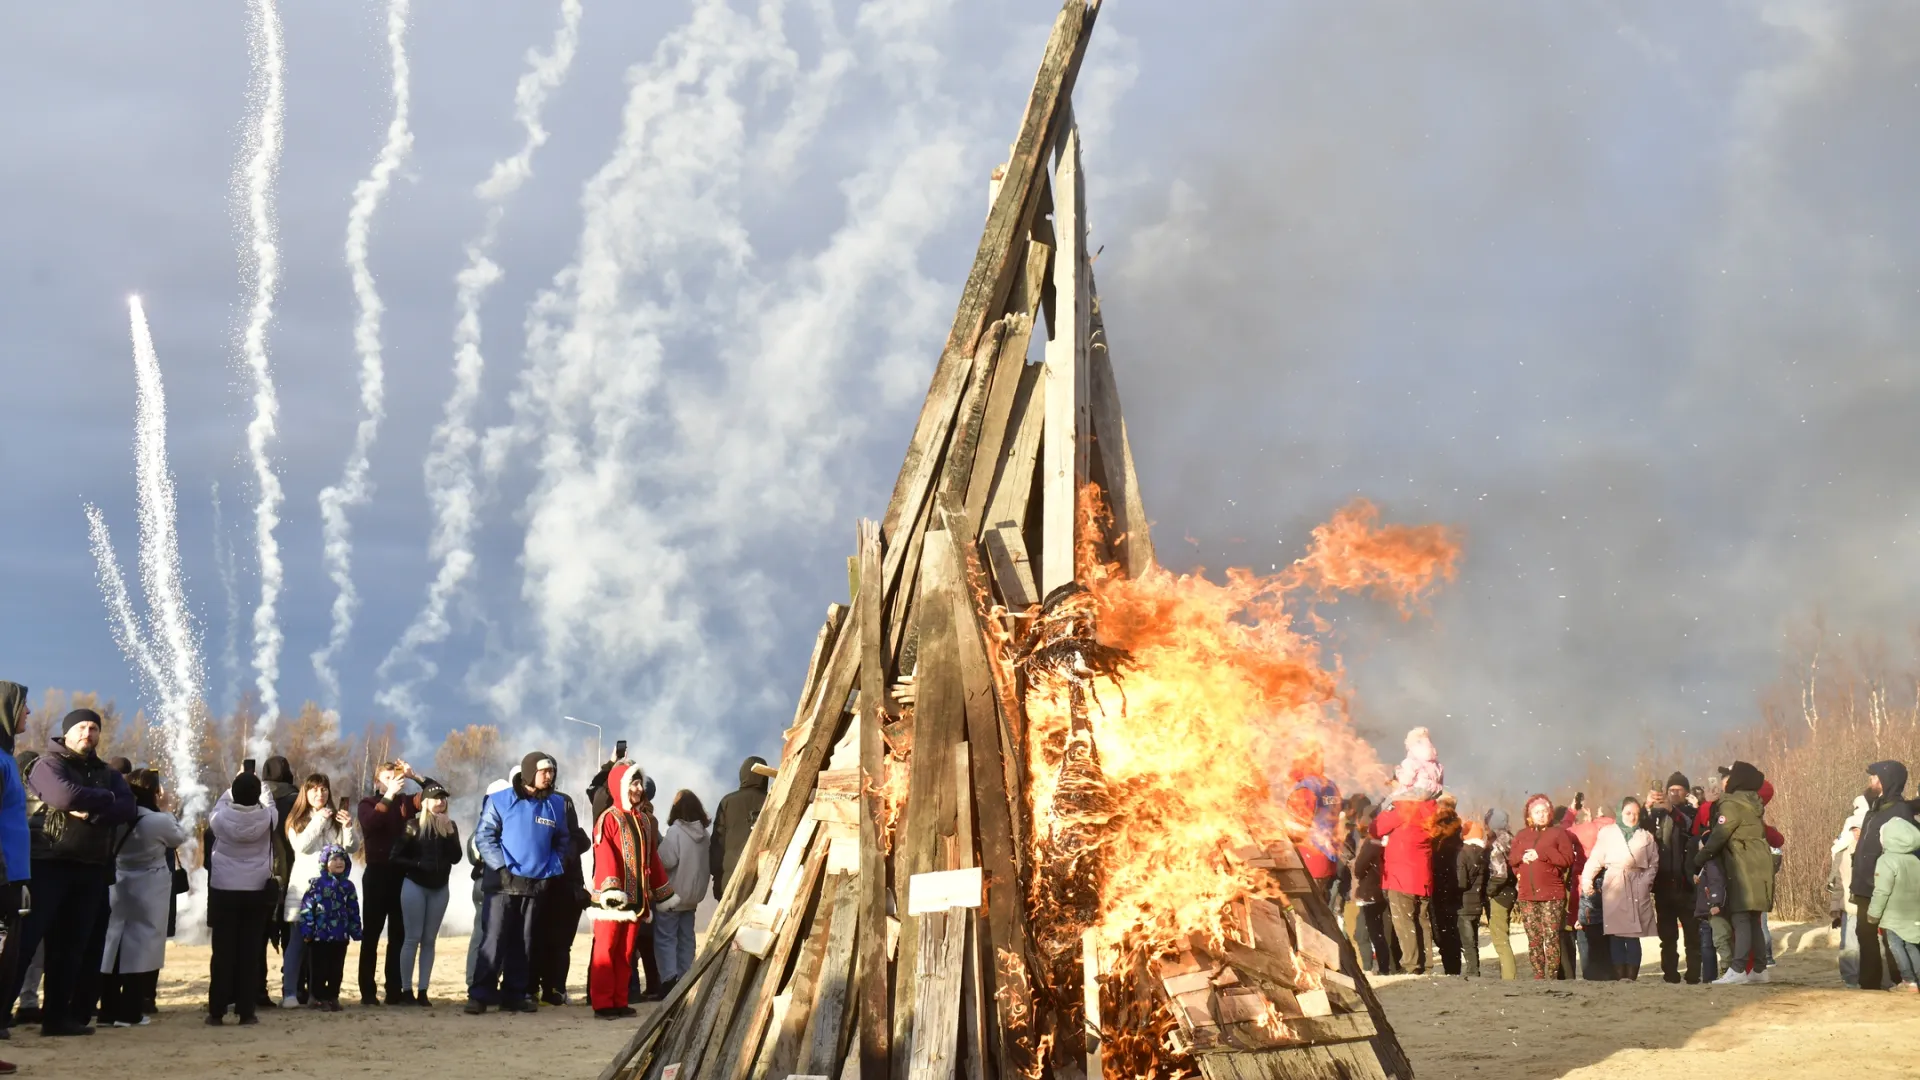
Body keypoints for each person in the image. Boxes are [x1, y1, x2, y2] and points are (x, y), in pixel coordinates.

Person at [25, 708, 136, 1035]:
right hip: (49, 863)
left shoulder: (105, 771)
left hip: (90, 868)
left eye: (93, 728)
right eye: (82, 727)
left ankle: (57, 1018)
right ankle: (5, 1014)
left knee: (72, 948)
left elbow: (127, 807)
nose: (88, 733)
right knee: (29, 943)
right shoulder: (49, 764)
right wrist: (105, 798)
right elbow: (64, 795)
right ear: (68, 732)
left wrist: (93, 813)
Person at [468, 751, 570, 1014]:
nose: (549, 776)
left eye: (551, 771)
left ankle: (514, 994)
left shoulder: (556, 805)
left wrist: (551, 870)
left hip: (533, 884)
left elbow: (562, 842)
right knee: (493, 938)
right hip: (501, 882)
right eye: (543, 771)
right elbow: (484, 836)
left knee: (523, 942)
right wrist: (500, 867)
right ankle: (480, 994)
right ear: (528, 773)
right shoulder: (500, 800)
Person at [97, 769, 187, 1027]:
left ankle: (107, 1009)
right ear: (154, 792)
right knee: (142, 949)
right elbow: (178, 837)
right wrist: (167, 808)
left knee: (112, 946)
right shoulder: (157, 820)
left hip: (119, 881)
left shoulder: (117, 817)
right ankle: (131, 1010)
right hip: (150, 886)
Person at [588, 764, 671, 1019]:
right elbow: (605, 856)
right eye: (633, 784)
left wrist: (663, 891)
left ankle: (620, 999)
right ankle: (603, 1003)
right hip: (611, 901)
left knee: (626, 953)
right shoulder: (608, 818)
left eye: (639, 784)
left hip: (637, 901)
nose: (637, 789)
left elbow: (652, 859)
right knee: (606, 951)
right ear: (621, 787)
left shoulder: (644, 820)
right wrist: (612, 887)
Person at [357, 759, 432, 1005]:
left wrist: (415, 776)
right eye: (387, 778)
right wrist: (389, 794)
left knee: (399, 935)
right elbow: (372, 823)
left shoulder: (406, 802)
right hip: (377, 874)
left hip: (402, 875)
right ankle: (368, 992)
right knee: (371, 935)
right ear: (377, 782)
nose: (393, 782)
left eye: (395, 777)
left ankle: (394, 989)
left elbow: (437, 794)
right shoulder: (367, 804)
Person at [280, 773, 358, 1008]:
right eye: (314, 789)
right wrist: (319, 821)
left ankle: (318, 994)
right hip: (304, 889)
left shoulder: (333, 819)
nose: (319, 794)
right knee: (297, 942)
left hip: (331, 894)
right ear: (306, 792)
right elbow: (301, 846)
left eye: (324, 789)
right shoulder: (297, 820)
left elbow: (349, 849)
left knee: (323, 948)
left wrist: (347, 827)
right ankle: (290, 993)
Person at [1693, 760, 1774, 985]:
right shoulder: (1753, 804)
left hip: (1742, 868)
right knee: (1753, 918)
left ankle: (1737, 969)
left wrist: (1698, 860)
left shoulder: (1732, 805)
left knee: (1740, 916)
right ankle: (1759, 969)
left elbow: (1718, 836)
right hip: (1759, 867)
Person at [207, 771, 278, 1025]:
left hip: (224, 888)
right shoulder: (268, 817)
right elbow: (270, 804)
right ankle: (246, 1011)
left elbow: (219, 803)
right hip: (256, 889)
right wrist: (264, 787)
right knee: (250, 952)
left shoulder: (220, 817)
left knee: (223, 952)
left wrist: (232, 785)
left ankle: (216, 1011)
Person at [392, 784, 462, 1005]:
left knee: (430, 940)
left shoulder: (451, 826)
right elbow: (395, 857)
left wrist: (450, 832)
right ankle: (406, 990)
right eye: (436, 798)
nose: (441, 802)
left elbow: (456, 857)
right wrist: (418, 863)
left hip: (440, 888)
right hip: (415, 885)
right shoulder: (413, 825)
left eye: (443, 799)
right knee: (412, 938)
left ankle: (423, 991)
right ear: (426, 802)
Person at [1851, 761, 1915, 991]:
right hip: (1864, 885)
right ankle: (1869, 984)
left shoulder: (1900, 810)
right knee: (1865, 934)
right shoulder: (1876, 807)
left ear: (1886, 780)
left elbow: (1905, 847)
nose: (1871, 780)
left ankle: (1904, 981)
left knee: (1893, 936)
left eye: (1875, 776)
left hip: (1886, 883)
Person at [1579, 796, 1659, 980]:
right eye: (1628, 813)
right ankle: (1618, 976)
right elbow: (1596, 858)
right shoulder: (1607, 834)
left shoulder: (1646, 837)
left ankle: (1631, 977)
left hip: (1637, 884)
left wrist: (1645, 882)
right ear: (1619, 813)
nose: (1632, 817)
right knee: (1615, 933)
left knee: (1632, 934)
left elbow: (1653, 863)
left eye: (1636, 814)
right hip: (1614, 883)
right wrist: (1587, 881)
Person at [532, 766, 590, 1007]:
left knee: (553, 942)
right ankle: (549, 989)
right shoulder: (573, 838)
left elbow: (572, 844)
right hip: (556, 888)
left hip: (558, 888)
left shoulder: (559, 811)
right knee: (552, 943)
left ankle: (549, 988)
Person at [1509, 794, 1575, 980]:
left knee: (1551, 936)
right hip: (1527, 894)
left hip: (1552, 893)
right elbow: (1512, 859)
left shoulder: (1558, 833)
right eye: (1537, 812)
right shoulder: (1522, 835)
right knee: (1533, 938)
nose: (1541, 815)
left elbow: (1567, 860)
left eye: (1544, 811)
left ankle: (1552, 976)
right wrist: (1522, 860)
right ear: (1529, 815)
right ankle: (1538, 975)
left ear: (1550, 813)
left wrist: (1543, 853)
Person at [1370, 794, 1438, 975]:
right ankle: (1426, 964)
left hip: (1401, 876)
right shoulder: (1430, 810)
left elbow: (1375, 828)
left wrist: (1388, 806)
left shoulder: (1404, 808)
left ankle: (1411, 964)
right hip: (1423, 876)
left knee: (1404, 921)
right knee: (1422, 920)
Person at [0, 683, 31, 1066]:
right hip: (1, 878)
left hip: (13, 876)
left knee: (6, 962)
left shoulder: (7, 757)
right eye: (25, 706)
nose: (30, 714)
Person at [654, 789, 711, 996]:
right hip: (693, 897)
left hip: (672, 896)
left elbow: (666, 861)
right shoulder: (704, 835)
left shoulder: (676, 832)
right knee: (687, 937)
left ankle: (669, 979)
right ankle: (687, 977)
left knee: (666, 937)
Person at [1647, 773, 1701, 984]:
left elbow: (1690, 828)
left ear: (1687, 792)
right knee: (1667, 938)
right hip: (1663, 885)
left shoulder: (1691, 812)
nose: (1674, 793)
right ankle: (1670, 974)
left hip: (1686, 884)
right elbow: (1643, 829)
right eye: (1671, 790)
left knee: (1692, 936)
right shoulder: (1657, 815)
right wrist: (1647, 806)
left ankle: (1694, 974)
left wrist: (1671, 809)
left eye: (1679, 790)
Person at [299, 845, 363, 1010]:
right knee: (318, 969)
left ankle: (333, 997)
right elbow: (307, 908)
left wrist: (355, 930)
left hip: (340, 936)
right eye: (334, 859)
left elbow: (353, 909)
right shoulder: (316, 884)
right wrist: (307, 930)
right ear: (325, 863)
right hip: (319, 936)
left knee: (336, 969)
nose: (339, 862)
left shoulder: (348, 886)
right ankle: (317, 997)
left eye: (342, 859)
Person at [257, 755, 298, 1008]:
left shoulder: (257, 798)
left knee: (259, 935)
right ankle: (294, 989)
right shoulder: (297, 800)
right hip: (295, 871)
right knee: (292, 934)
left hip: (262, 872)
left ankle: (258, 990)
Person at [466, 778, 511, 988]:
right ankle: (474, 980)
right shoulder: (485, 828)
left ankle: (489, 980)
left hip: (503, 884)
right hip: (487, 883)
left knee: (497, 934)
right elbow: (475, 855)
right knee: (482, 934)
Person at [1868, 816, 1920, 992]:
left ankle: (1908, 981)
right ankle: (1917, 980)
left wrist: (1874, 913)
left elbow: (1882, 891)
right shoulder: (1915, 860)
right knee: (1911, 945)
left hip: (1894, 914)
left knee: (1896, 945)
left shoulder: (1886, 861)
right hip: (1914, 913)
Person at [710, 756, 769, 899]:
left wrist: (717, 873)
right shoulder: (773, 800)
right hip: (764, 880)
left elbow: (717, 844)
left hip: (729, 882)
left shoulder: (727, 802)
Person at [1830, 797, 1871, 987]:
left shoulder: (1874, 851)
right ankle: (1850, 979)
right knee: (1849, 945)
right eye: (1853, 829)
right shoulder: (1842, 853)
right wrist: (1835, 908)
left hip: (1871, 904)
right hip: (1850, 905)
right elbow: (1837, 882)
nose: (1856, 833)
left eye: (1859, 829)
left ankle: (1870, 977)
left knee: (1870, 944)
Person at [1351, 806, 1395, 974]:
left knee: (1370, 931)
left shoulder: (1371, 843)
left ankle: (1379, 967)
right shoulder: (1388, 841)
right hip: (1385, 889)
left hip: (1370, 891)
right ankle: (1389, 965)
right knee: (1385, 930)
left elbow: (1359, 868)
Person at [1428, 801, 1465, 975]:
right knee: (1448, 930)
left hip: (1443, 887)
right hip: (1450, 888)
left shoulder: (1441, 841)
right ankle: (1452, 966)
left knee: (1445, 930)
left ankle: (1452, 967)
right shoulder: (1454, 838)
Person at [1483, 809, 1518, 980]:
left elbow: (1499, 874)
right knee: (1503, 936)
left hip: (1500, 895)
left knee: (1500, 939)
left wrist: (1488, 892)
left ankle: (1508, 978)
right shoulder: (1512, 839)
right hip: (1511, 892)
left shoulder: (1497, 843)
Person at [1456, 818, 1488, 978]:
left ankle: (1472, 971)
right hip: (1477, 901)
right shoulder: (1483, 854)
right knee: (1473, 940)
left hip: (1464, 903)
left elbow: (1461, 882)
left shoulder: (1463, 854)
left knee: (1467, 942)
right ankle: (1475, 969)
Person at [1388, 727, 1445, 802]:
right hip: (1436, 792)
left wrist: (1399, 774)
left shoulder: (1411, 761)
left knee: (1390, 799)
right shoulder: (1438, 765)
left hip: (1419, 791)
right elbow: (1440, 781)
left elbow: (1407, 781)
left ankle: (1377, 812)